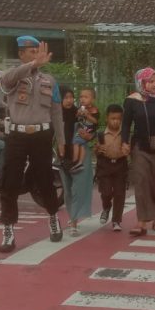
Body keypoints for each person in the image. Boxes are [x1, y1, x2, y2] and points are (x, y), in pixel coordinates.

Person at [0, 36, 65, 253]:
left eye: (38, 52)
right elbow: (6, 81)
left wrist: (61, 140)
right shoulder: (13, 77)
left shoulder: (49, 81)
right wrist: (33, 64)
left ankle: (53, 217)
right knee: (10, 183)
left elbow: (56, 112)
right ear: (21, 54)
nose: (37, 55)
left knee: (45, 181)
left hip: (41, 136)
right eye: (32, 52)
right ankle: (8, 230)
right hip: (17, 137)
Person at [120, 67, 155, 237]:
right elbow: (126, 124)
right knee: (141, 183)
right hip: (140, 148)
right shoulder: (132, 100)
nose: (154, 84)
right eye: (150, 81)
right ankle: (141, 221)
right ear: (142, 82)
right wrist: (124, 142)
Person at [60, 87, 97, 237]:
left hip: (80, 154)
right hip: (63, 156)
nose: (69, 100)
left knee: (78, 189)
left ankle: (74, 222)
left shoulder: (79, 113)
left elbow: (93, 129)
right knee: (68, 190)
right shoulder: (55, 114)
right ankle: (72, 216)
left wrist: (90, 137)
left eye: (71, 97)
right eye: (65, 97)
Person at [95, 103, 128, 232]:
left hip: (120, 165)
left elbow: (129, 148)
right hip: (105, 165)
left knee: (120, 193)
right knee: (106, 192)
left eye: (118, 119)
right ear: (107, 118)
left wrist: (127, 150)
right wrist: (98, 150)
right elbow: (96, 151)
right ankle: (106, 207)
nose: (115, 121)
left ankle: (116, 220)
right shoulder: (101, 134)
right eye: (113, 118)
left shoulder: (124, 134)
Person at [70, 87, 100, 173]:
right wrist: (78, 114)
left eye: (86, 97)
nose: (82, 99)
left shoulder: (94, 110)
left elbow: (95, 121)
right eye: (81, 97)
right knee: (81, 145)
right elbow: (77, 118)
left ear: (92, 99)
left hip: (88, 130)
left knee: (76, 142)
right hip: (82, 128)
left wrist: (88, 115)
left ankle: (75, 160)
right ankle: (80, 162)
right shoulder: (80, 108)